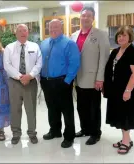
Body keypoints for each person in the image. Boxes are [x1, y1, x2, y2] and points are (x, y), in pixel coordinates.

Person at [70, 6, 110, 145]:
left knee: (94, 107)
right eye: (83, 15)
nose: (85, 17)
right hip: (78, 78)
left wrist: (100, 78)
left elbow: (104, 58)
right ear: (80, 17)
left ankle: (95, 133)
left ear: (93, 18)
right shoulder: (74, 35)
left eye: (88, 15)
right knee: (81, 106)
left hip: (94, 79)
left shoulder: (100, 34)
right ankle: (85, 129)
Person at [40, 19, 80, 148]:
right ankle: (55, 131)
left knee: (66, 110)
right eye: (51, 27)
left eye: (55, 27)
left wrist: (67, 81)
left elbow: (74, 63)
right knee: (52, 108)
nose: (53, 30)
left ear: (61, 28)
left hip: (62, 82)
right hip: (46, 81)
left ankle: (69, 136)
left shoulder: (69, 43)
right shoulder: (44, 43)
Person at [103, 26, 134, 154]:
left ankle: (126, 142)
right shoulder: (115, 51)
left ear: (130, 37)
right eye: (119, 36)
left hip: (128, 89)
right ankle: (126, 139)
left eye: (124, 35)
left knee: (126, 115)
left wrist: (127, 91)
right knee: (120, 115)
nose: (121, 38)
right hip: (116, 89)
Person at [3, 24, 42, 144]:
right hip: (14, 82)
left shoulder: (35, 46)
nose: (22, 33)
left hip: (30, 82)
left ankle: (32, 133)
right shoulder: (9, 48)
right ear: (16, 33)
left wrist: (30, 76)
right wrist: (20, 77)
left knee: (31, 109)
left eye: (24, 30)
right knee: (15, 109)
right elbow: (7, 65)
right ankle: (16, 133)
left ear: (28, 32)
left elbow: (39, 63)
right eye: (19, 31)